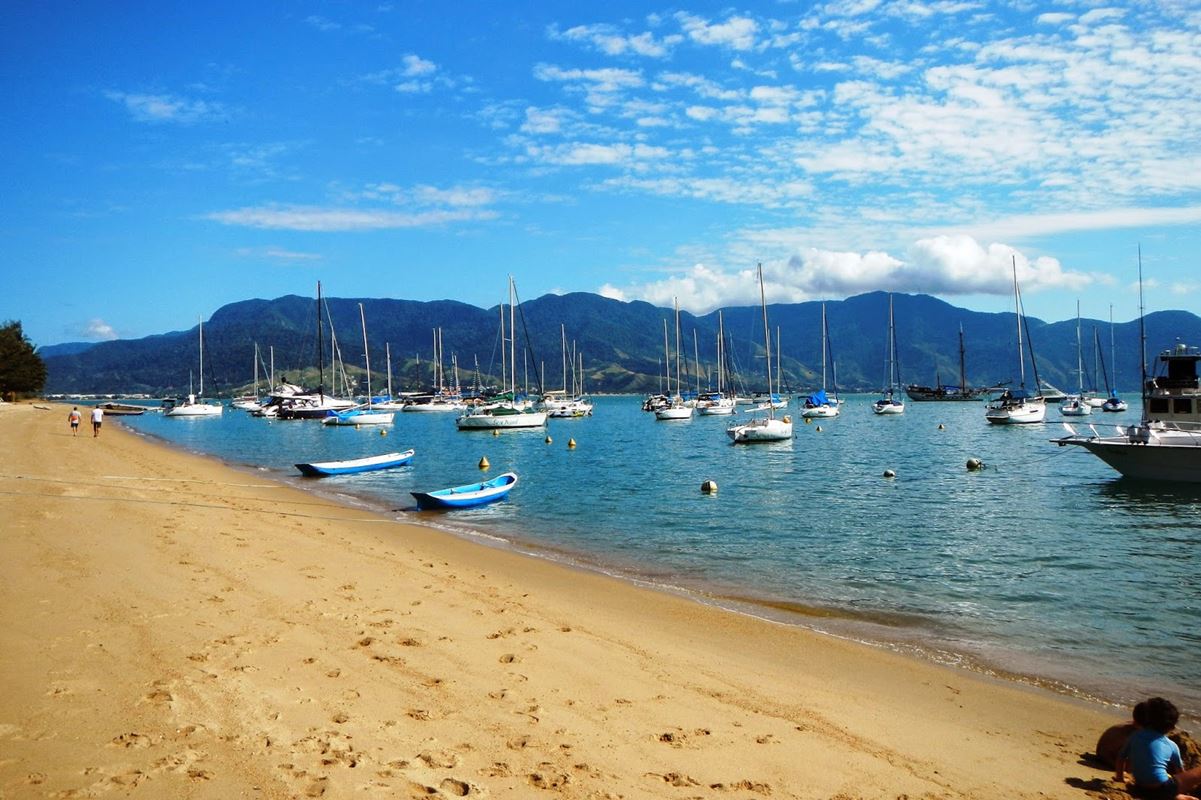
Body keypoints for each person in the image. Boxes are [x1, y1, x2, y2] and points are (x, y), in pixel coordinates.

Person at [1114, 696, 1201, 800]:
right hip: (1163, 789)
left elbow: (1121, 757)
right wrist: (1183, 787)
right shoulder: (1171, 745)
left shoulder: (1135, 736)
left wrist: (1120, 778)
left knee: (1163, 786)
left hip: (1140, 788)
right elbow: (1180, 772)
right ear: (1171, 727)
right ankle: (1179, 795)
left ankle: (1176, 796)